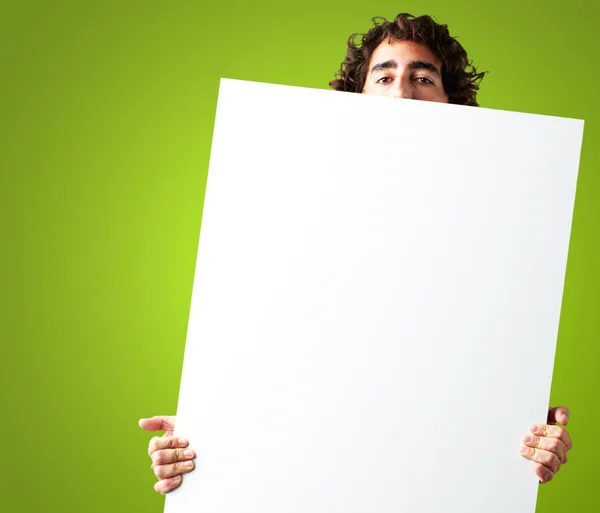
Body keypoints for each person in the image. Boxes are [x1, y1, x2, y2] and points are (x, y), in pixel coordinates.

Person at [139, 12, 573, 495]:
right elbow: (268, 340)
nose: (403, 92)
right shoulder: (289, 204)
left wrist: (528, 440)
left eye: (423, 77)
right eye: (384, 76)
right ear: (358, 96)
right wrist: (207, 432)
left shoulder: (508, 222)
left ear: (453, 102)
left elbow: (477, 367)